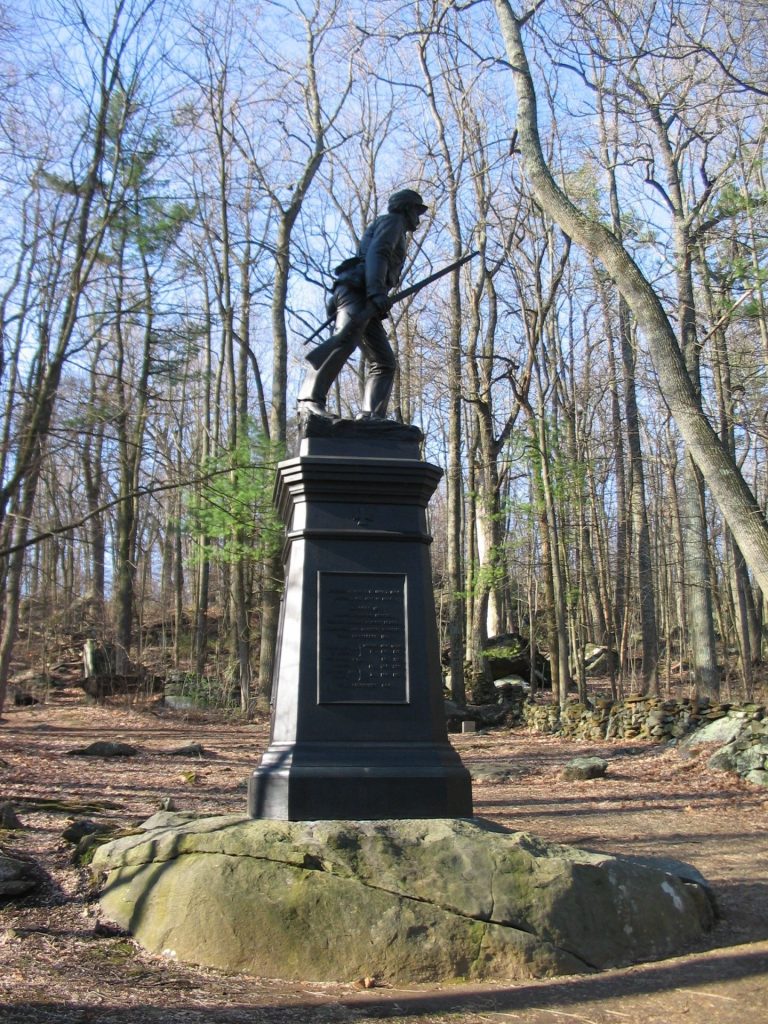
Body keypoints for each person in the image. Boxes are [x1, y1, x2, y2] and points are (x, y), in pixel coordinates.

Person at [298, 188, 428, 421]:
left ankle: (370, 417)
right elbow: (378, 253)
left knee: (384, 362)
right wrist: (376, 291)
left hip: (363, 295)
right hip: (361, 292)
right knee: (343, 342)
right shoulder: (393, 222)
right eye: (416, 211)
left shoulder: (393, 225)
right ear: (406, 209)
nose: (417, 218)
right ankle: (309, 402)